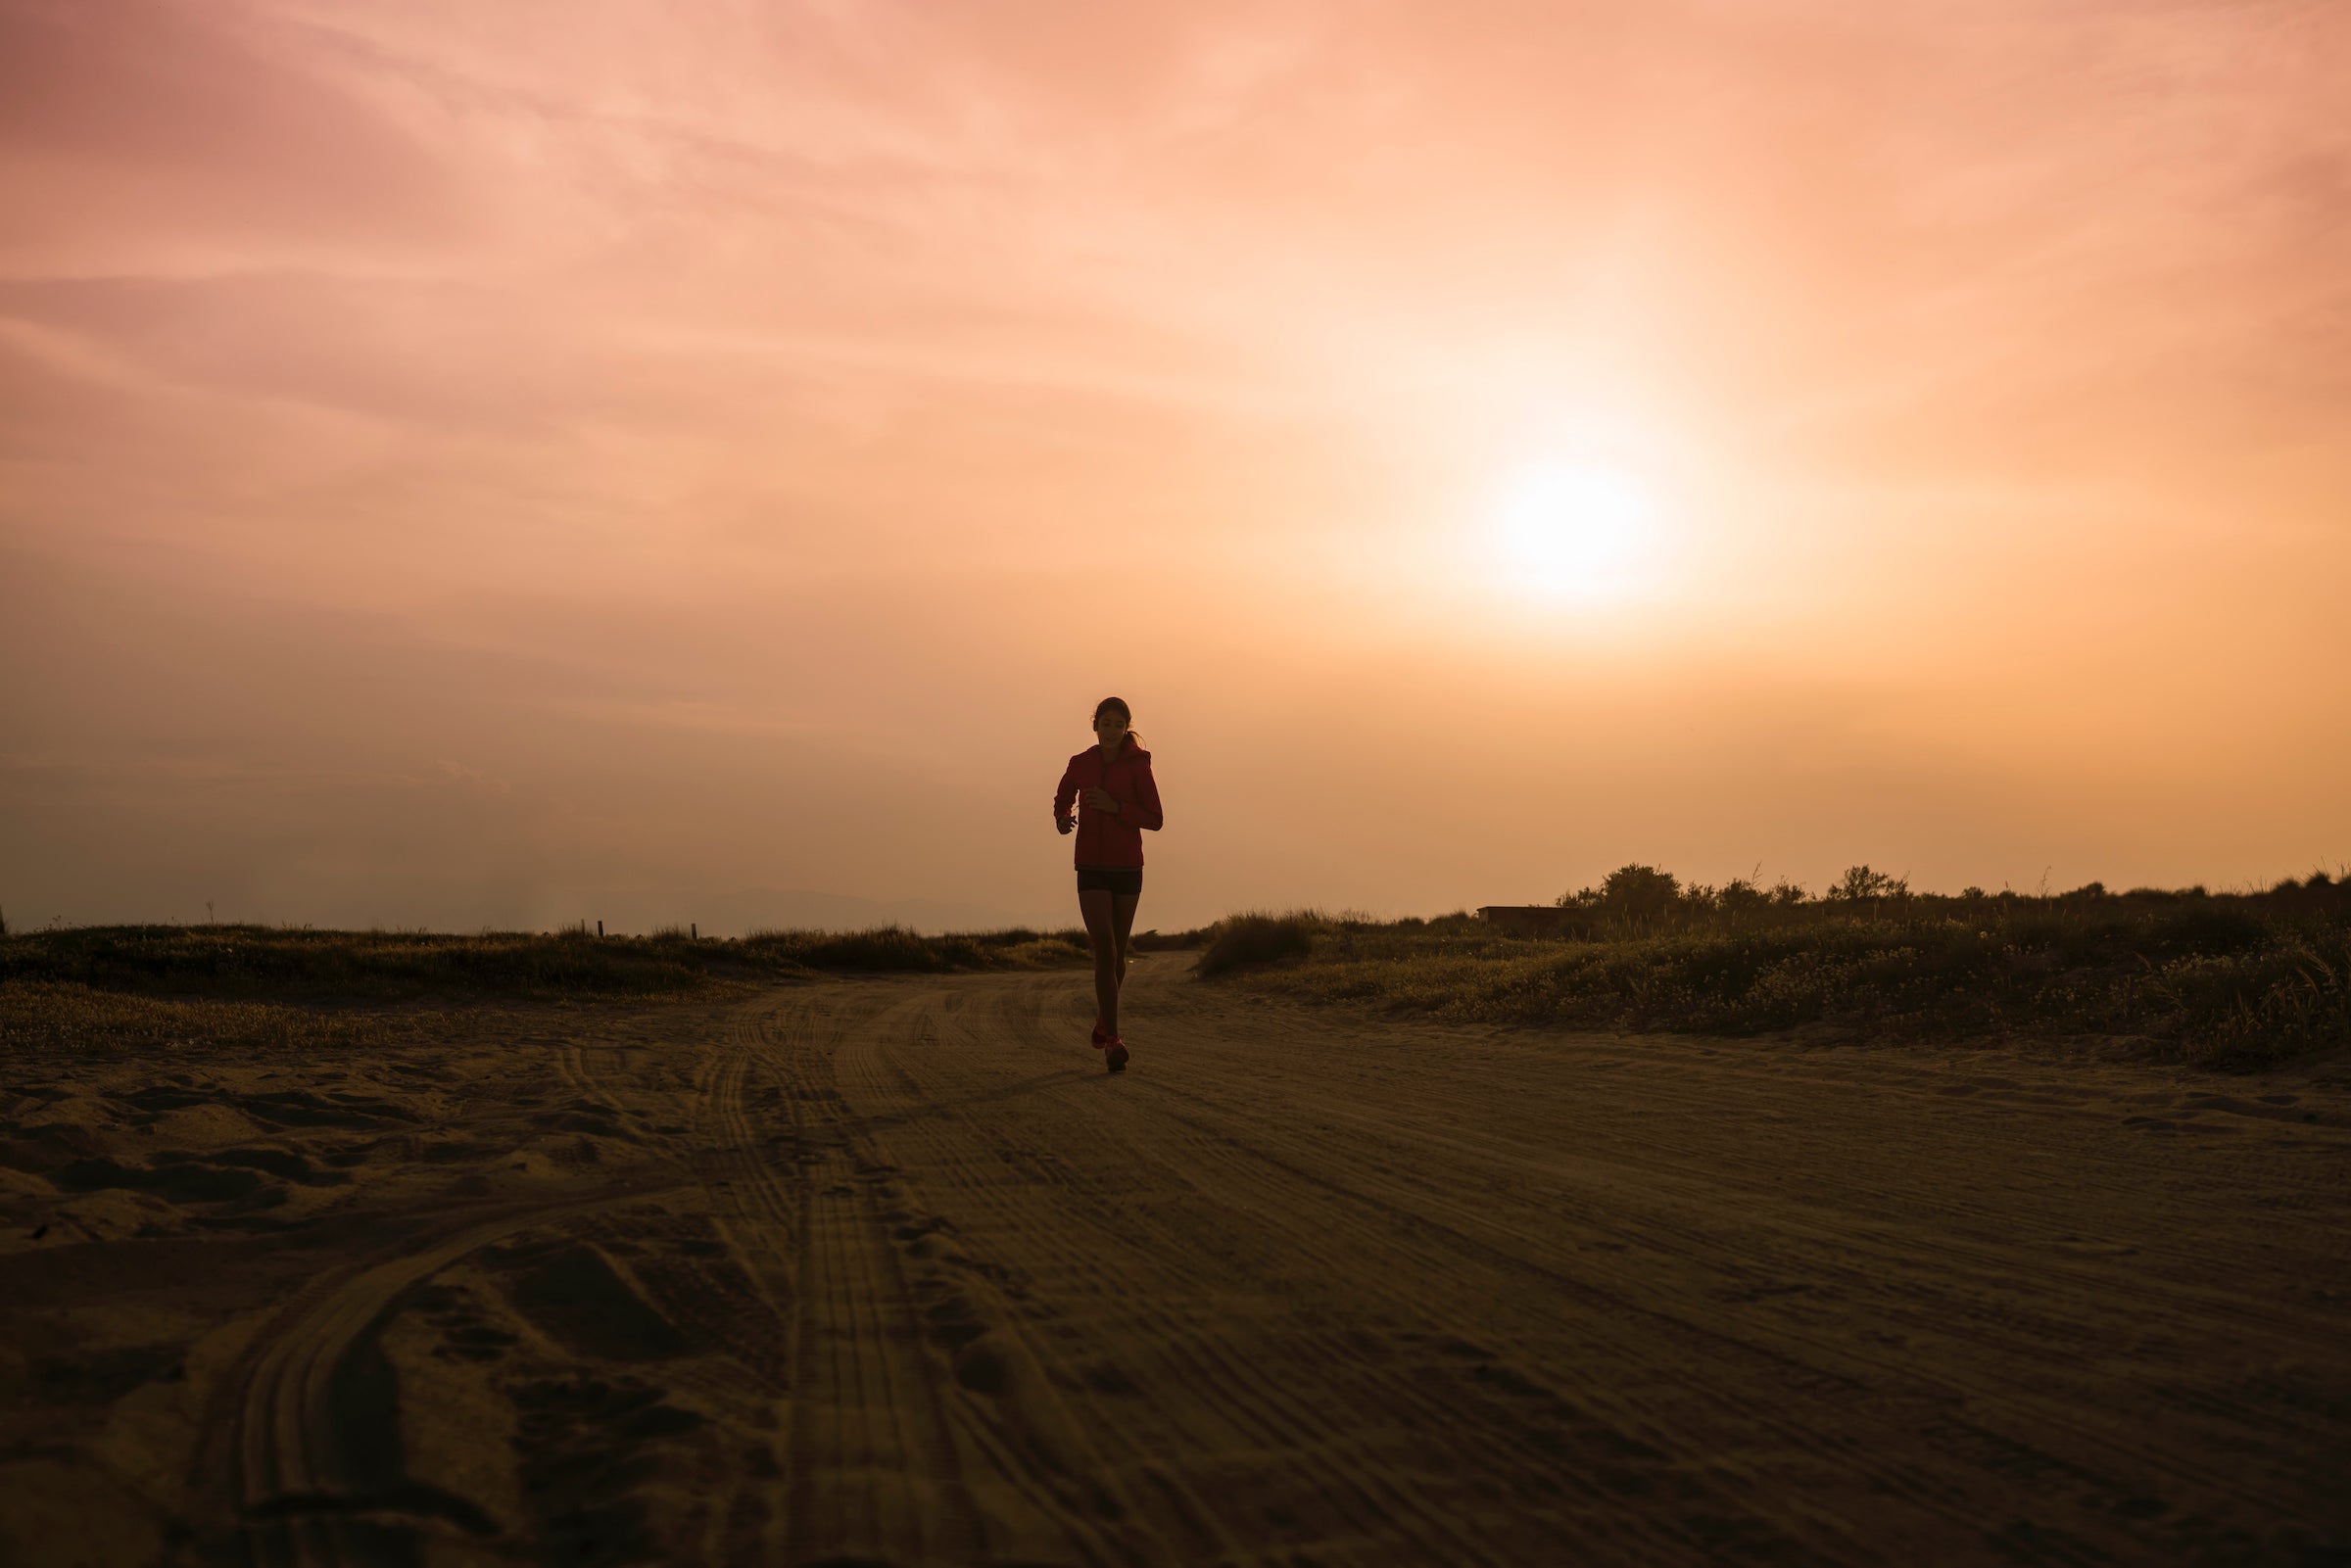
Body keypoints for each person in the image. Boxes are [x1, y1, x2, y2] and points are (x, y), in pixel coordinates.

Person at [1053, 697, 1164, 1072]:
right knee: (1104, 947)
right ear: (1094, 725)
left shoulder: (1138, 766)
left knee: (1117, 956)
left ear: (1126, 727)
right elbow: (1063, 795)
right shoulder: (1080, 763)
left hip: (1128, 868)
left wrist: (1116, 808)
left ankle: (1103, 1022)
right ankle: (1114, 1041)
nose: (1111, 730)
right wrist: (1063, 817)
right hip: (1090, 867)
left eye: (1118, 724)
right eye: (1105, 723)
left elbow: (1155, 818)